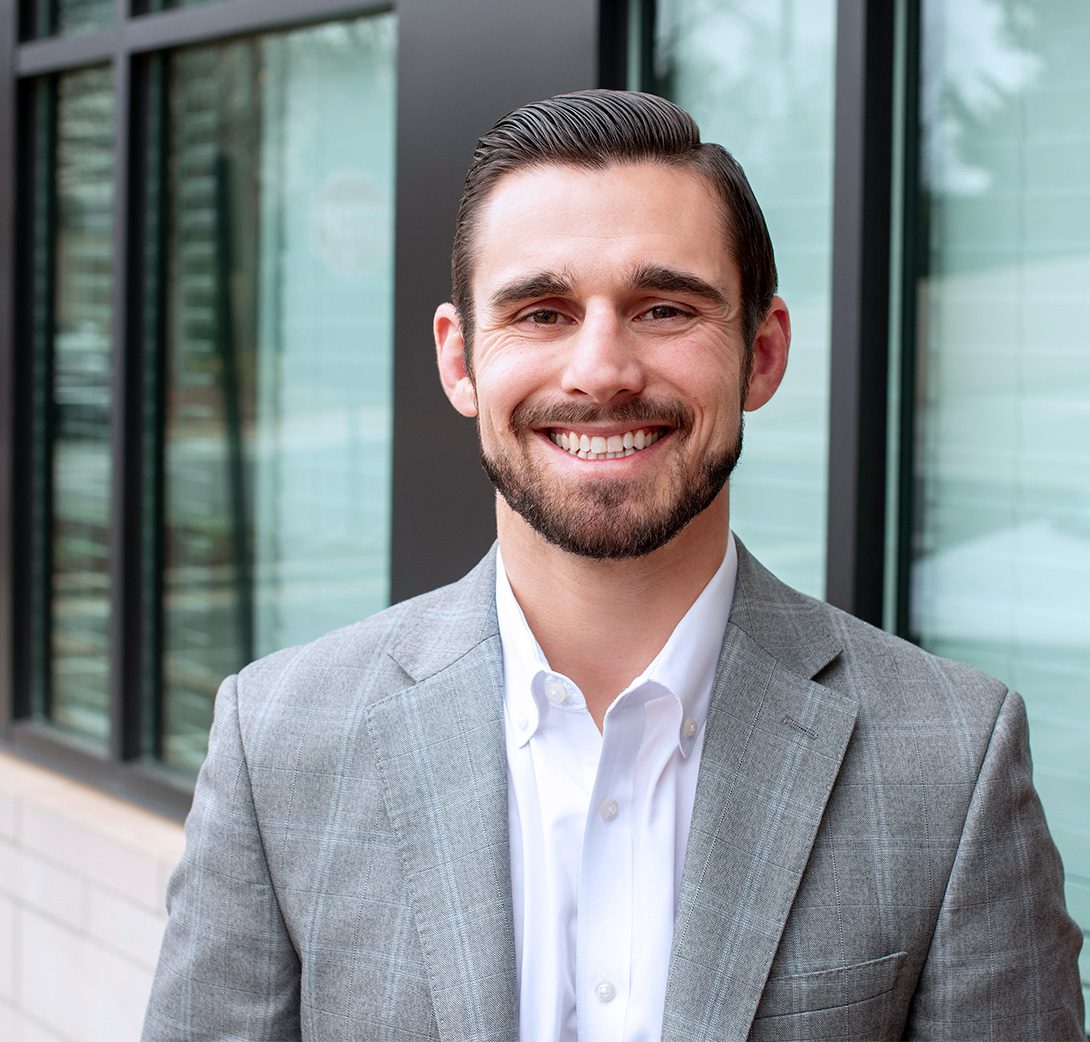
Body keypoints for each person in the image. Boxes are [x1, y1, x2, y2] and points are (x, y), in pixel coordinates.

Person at [143, 90, 1085, 1042]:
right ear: (459, 360)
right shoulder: (279, 743)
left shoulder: (952, 758)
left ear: (761, 354)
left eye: (664, 307)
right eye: (542, 312)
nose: (602, 371)